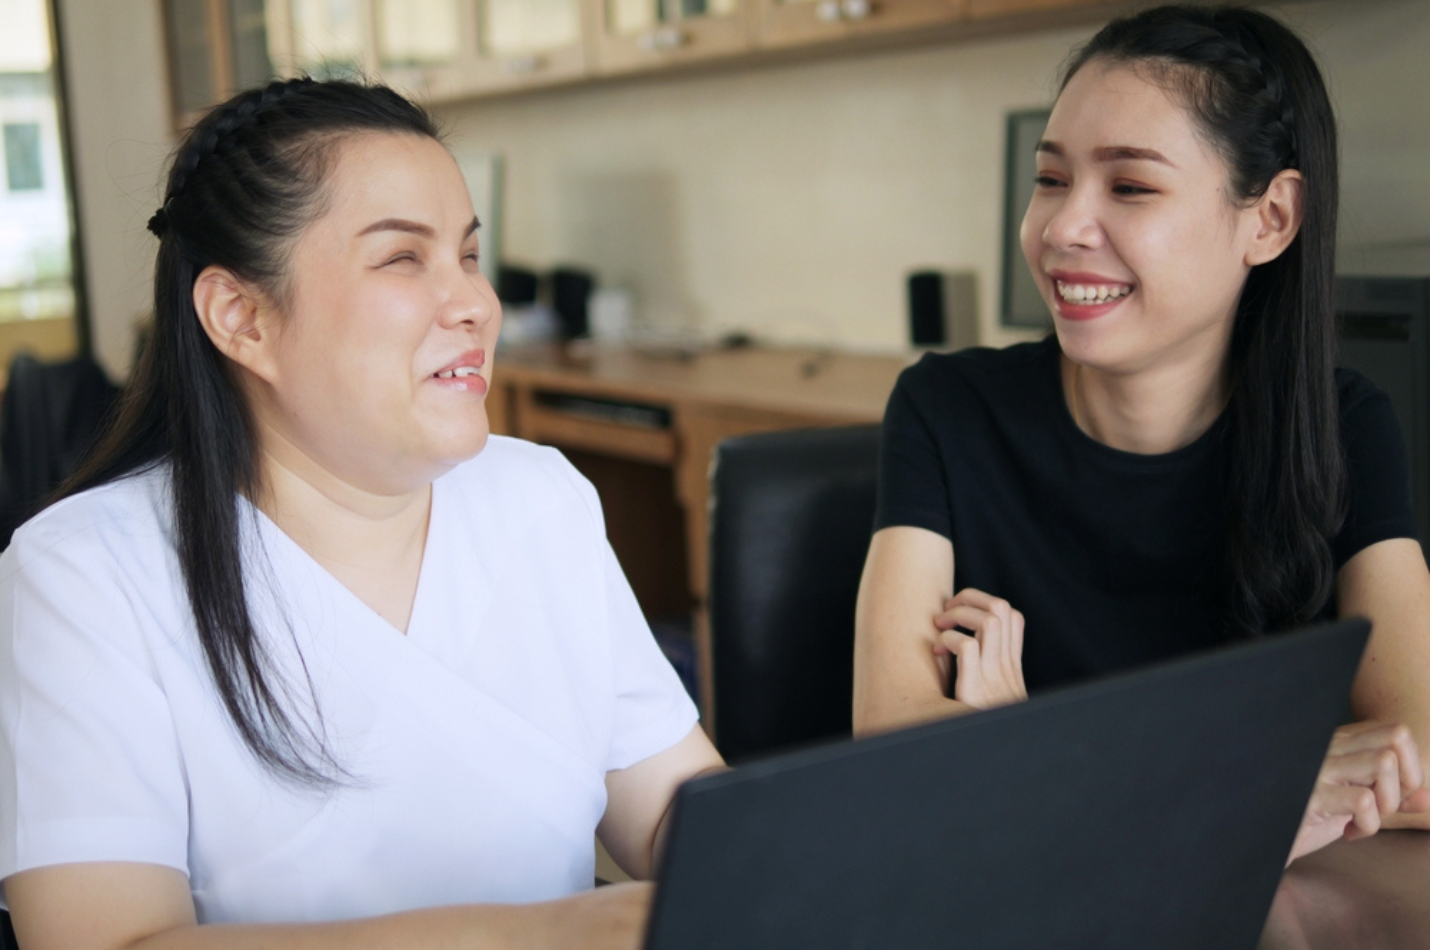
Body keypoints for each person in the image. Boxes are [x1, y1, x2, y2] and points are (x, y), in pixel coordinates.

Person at [0, 78, 723, 950]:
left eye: (469, 256)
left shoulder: (540, 498)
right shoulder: (85, 576)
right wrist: (552, 932)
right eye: (401, 259)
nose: (474, 305)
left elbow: (674, 816)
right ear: (242, 317)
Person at [853, 3, 1430, 864]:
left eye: (1130, 186)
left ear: (1270, 219)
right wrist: (1260, 787)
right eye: (1051, 179)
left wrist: (1027, 745)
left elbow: (1415, 761)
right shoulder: (947, 407)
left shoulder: (1344, 428)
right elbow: (895, 742)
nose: (1062, 228)